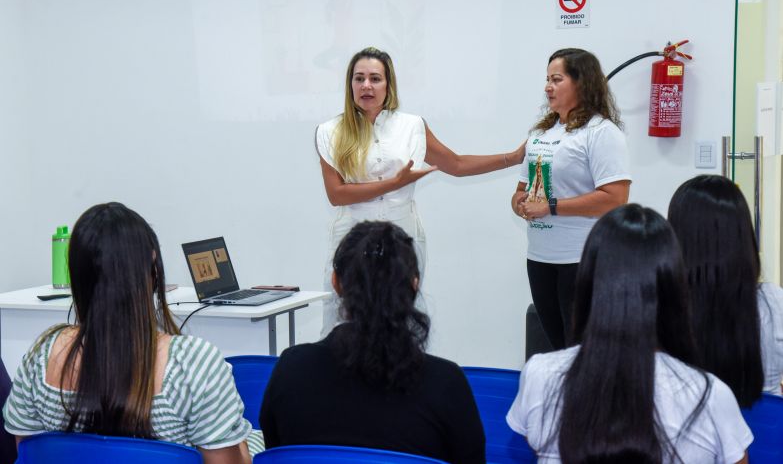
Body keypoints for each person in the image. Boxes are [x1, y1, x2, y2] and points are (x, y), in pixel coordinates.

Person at [3, 203, 262, 463]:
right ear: (152, 267)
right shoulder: (194, 363)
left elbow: (29, 453)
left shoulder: (42, 356)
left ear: (76, 274)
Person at [506, 204, 752, 464]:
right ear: (675, 290)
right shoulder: (709, 395)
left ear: (588, 283)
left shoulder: (540, 375)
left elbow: (529, 439)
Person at [316, 46, 525, 334]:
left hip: (402, 234)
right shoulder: (330, 131)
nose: (366, 85)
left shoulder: (411, 126)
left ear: (389, 86)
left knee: (400, 320)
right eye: (359, 78)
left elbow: (456, 164)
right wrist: (393, 183)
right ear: (349, 84)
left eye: (375, 78)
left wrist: (511, 158)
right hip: (351, 235)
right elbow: (336, 194)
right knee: (342, 321)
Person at [260, 221, 485, 463]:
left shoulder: (292, 368)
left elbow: (276, 450)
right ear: (414, 284)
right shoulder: (446, 383)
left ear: (336, 282)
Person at [512, 48, 631, 350]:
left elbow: (615, 198)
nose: (547, 87)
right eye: (547, 79)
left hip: (581, 259)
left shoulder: (602, 132)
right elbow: (521, 189)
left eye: (556, 79)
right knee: (557, 346)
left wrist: (550, 207)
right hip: (540, 257)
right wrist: (520, 203)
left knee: (583, 349)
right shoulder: (540, 134)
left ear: (582, 83)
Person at [668, 174, 783, 405]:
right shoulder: (773, 299)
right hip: (766, 431)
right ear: (743, 233)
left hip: (691, 434)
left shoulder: (663, 306)